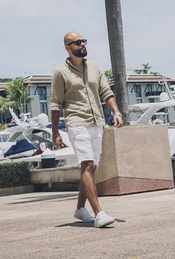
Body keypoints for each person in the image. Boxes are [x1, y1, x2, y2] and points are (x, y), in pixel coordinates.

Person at [50, 31, 124, 228]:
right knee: (87, 165)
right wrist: (55, 132)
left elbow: (106, 92)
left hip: (97, 122)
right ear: (68, 47)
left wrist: (116, 112)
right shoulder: (60, 72)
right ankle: (99, 213)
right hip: (76, 122)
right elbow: (55, 104)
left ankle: (80, 209)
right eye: (77, 42)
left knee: (92, 167)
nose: (82, 44)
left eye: (83, 41)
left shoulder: (94, 68)